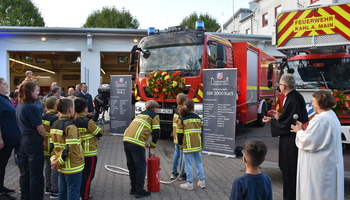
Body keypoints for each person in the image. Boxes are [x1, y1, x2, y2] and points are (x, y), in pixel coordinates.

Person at [291, 91, 344, 200]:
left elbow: (309, 141)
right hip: (328, 162)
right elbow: (319, 136)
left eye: (313, 101)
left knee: (318, 193)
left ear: (320, 103)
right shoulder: (331, 115)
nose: (312, 104)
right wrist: (304, 129)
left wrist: (299, 131)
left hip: (319, 167)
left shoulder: (321, 120)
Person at [262, 74, 308, 200]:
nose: (279, 87)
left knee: (289, 169)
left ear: (284, 86)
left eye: (280, 85)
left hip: (291, 140)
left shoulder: (292, 99)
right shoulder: (294, 96)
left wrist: (272, 122)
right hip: (291, 138)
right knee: (288, 168)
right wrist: (278, 116)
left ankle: (290, 197)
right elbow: (289, 118)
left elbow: (288, 124)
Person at [123, 100, 160, 198]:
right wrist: (153, 144)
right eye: (157, 108)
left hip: (126, 139)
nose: (157, 110)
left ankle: (133, 188)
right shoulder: (154, 115)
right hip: (136, 142)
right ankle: (139, 191)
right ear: (154, 108)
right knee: (141, 167)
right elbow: (156, 131)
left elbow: (138, 129)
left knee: (132, 166)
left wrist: (145, 142)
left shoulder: (140, 115)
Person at [16, 80, 46, 200]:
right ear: (30, 92)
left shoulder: (20, 105)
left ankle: (25, 196)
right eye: (36, 90)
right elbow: (40, 128)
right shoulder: (31, 107)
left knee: (25, 172)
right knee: (36, 174)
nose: (38, 93)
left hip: (24, 139)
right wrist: (46, 139)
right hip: (33, 140)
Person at [50, 98, 84, 200]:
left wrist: (54, 161)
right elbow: (70, 148)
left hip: (61, 166)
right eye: (73, 107)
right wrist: (59, 162)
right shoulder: (71, 127)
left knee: (63, 190)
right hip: (73, 166)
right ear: (70, 110)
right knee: (73, 191)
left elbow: (52, 146)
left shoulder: (54, 124)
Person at [73, 98, 103, 200]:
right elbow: (99, 133)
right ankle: (85, 196)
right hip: (89, 153)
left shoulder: (73, 121)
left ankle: (79, 195)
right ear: (85, 109)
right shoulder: (88, 122)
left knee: (80, 175)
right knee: (88, 176)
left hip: (77, 153)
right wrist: (95, 136)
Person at [177, 99, 206, 190]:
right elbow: (201, 132)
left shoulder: (182, 119)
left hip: (188, 145)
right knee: (198, 162)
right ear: (193, 108)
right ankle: (202, 181)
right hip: (197, 144)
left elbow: (179, 133)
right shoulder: (198, 118)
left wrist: (180, 144)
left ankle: (189, 183)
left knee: (188, 164)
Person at [0, 78, 21, 200]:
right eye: (4, 84)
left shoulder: (4, 98)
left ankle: (1, 187)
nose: (7, 85)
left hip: (10, 140)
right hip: (4, 140)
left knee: (2, 165)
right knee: (1, 164)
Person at [42, 96, 59, 199]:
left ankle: (48, 187)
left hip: (44, 145)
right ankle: (54, 190)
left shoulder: (44, 116)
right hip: (52, 145)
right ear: (54, 105)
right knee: (54, 168)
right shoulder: (54, 118)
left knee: (48, 167)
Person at [170, 93, 187, 180]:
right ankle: (182, 173)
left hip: (176, 136)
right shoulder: (183, 111)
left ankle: (174, 172)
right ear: (184, 101)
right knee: (181, 155)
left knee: (176, 154)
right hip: (181, 137)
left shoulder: (176, 111)